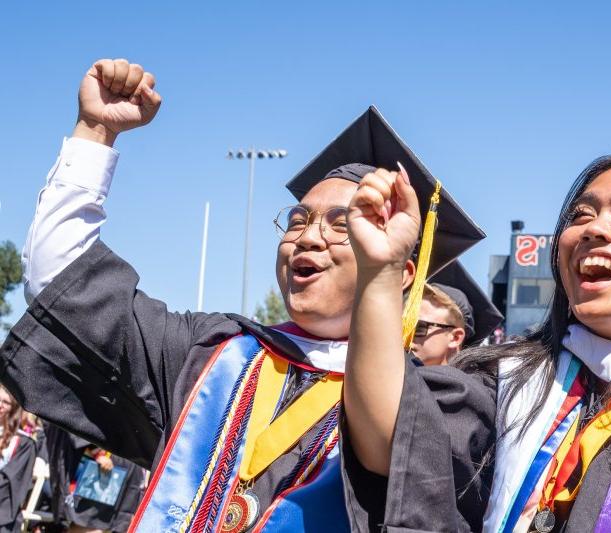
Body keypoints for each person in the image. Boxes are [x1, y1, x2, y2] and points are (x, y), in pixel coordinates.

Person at [0, 58, 488, 532]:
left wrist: (377, 269)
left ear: (402, 272)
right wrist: (94, 132)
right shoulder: (209, 351)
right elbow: (61, 282)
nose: (308, 237)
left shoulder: (437, 401)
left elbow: (392, 453)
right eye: (297, 220)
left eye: (343, 227)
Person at [342, 132, 611, 532]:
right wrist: (381, 272)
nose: (593, 228)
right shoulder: (508, 379)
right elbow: (392, 446)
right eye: (580, 215)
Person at [44, 423, 146, 533]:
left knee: (112, 524)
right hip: (93, 465)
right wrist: (97, 451)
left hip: (121, 467)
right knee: (89, 524)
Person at [413, 261, 503, 366]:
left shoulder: (470, 382)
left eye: (419, 327)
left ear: (455, 337)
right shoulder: (397, 377)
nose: (406, 335)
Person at [0, 386, 37, 532]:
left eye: (5, 402)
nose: (0, 406)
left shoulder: (23, 443)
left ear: (13, 407)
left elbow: (13, 481)